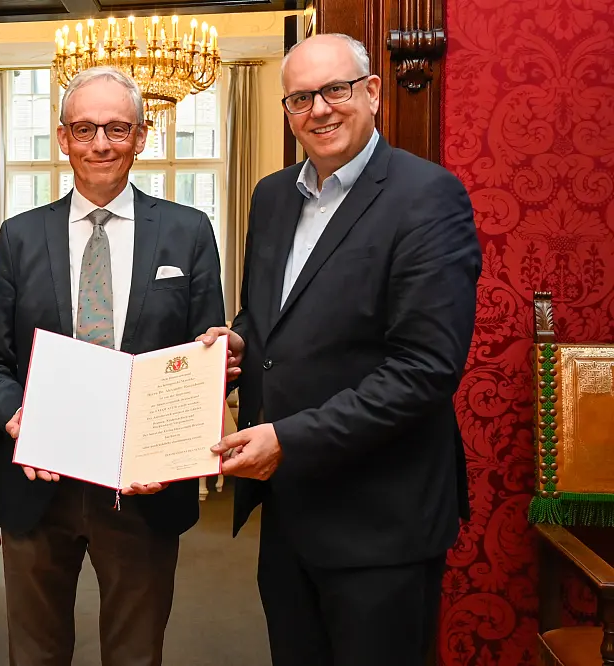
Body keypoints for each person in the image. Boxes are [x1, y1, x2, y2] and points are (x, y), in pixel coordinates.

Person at [199, 34, 481, 666]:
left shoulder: (427, 198)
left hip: (381, 519)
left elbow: (424, 370)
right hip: (291, 514)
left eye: (336, 90)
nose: (320, 109)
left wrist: (289, 441)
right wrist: (240, 337)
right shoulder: (272, 197)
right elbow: (269, 314)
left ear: (373, 93)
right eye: (301, 97)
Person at [0, 66, 225, 666]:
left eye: (116, 128)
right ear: (62, 138)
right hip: (39, 486)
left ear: (142, 135)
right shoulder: (20, 237)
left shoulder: (188, 233)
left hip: (143, 490)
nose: (100, 144)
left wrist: (175, 448)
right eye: (85, 129)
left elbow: (202, 359)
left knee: (137, 654)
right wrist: (18, 418)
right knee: (34, 653)